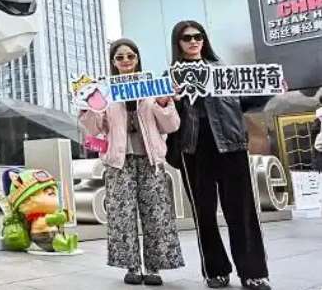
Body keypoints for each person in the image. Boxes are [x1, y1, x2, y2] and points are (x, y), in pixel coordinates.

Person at [167, 20, 271, 290]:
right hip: (193, 148)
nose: (193, 41)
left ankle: (253, 272)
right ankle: (215, 270)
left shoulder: (223, 70)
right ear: (178, 43)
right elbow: (166, 119)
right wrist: (169, 101)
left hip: (231, 146)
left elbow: (245, 102)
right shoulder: (170, 78)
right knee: (204, 214)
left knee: (242, 211)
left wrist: (268, 88)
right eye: (187, 37)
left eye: (198, 36)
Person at [80, 38, 184, 286]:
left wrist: (163, 102)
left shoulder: (152, 87)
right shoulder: (104, 91)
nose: (126, 61)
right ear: (113, 62)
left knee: (156, 214)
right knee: (122, 215)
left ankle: (154, 268)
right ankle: (132, 266)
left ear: (137, 59)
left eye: (130, 56)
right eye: (120, 57)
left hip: (151, 159)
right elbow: (93, 130)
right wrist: (91, 107)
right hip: (118, 161)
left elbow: (171, 125)